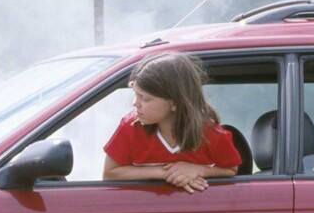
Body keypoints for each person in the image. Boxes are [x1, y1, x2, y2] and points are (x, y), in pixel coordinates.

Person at [102, 51, 240, 193]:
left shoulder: (211, 134)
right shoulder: (130, 127)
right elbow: (110, 173)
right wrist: (165, 172)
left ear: (175, 103)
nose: (135, 103)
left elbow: (231, 169)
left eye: (145, 98)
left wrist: (198, 170)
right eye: (136, 95)